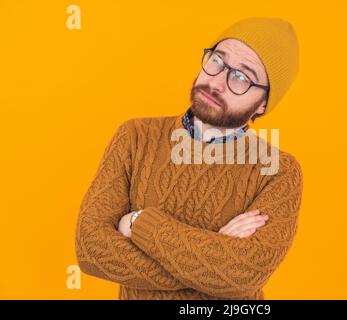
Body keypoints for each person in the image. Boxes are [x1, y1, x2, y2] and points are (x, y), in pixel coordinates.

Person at [75, 17, 303, 300]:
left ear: (264, 103)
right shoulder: (135, 137)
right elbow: (91, 250)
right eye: (218, 61)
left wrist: (138, 223)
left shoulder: (278, 170)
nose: (217, 82)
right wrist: (212, 261)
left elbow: (242, 275)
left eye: (241, 77)